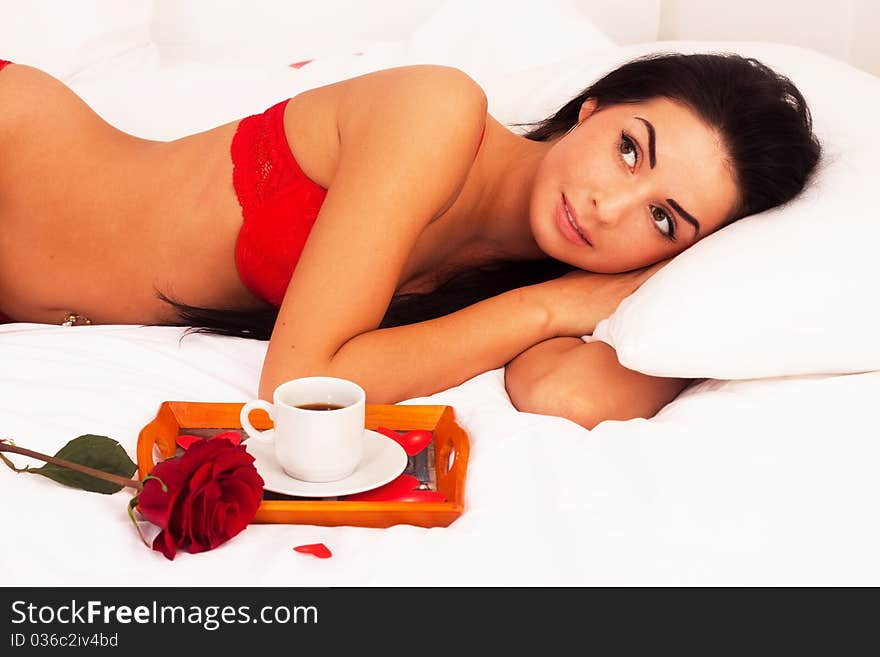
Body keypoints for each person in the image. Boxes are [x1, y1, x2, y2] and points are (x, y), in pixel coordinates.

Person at [0, 53, 819, 427]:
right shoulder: (438, 112)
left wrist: (707, 296)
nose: (611, 206)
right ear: (591, 109)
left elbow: (566, 395)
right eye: (630, 149)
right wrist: (552, 306)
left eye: (664, 218)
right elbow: (303, 380)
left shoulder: (511, 284)